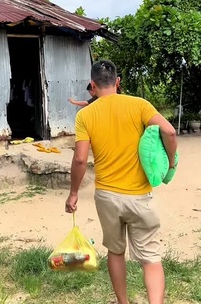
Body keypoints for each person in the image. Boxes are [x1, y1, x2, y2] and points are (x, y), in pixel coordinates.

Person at [65, 59, 177, 304]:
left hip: (107, 196)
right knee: (150, 258)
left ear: (93, 86)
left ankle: (123, 302)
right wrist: (169, 164)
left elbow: (81, 160)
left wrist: (73, 194)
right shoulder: (139, 105)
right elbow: (169, 132)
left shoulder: (85, 115)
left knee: (115, 252)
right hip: (140, 196)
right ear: (117, 82)